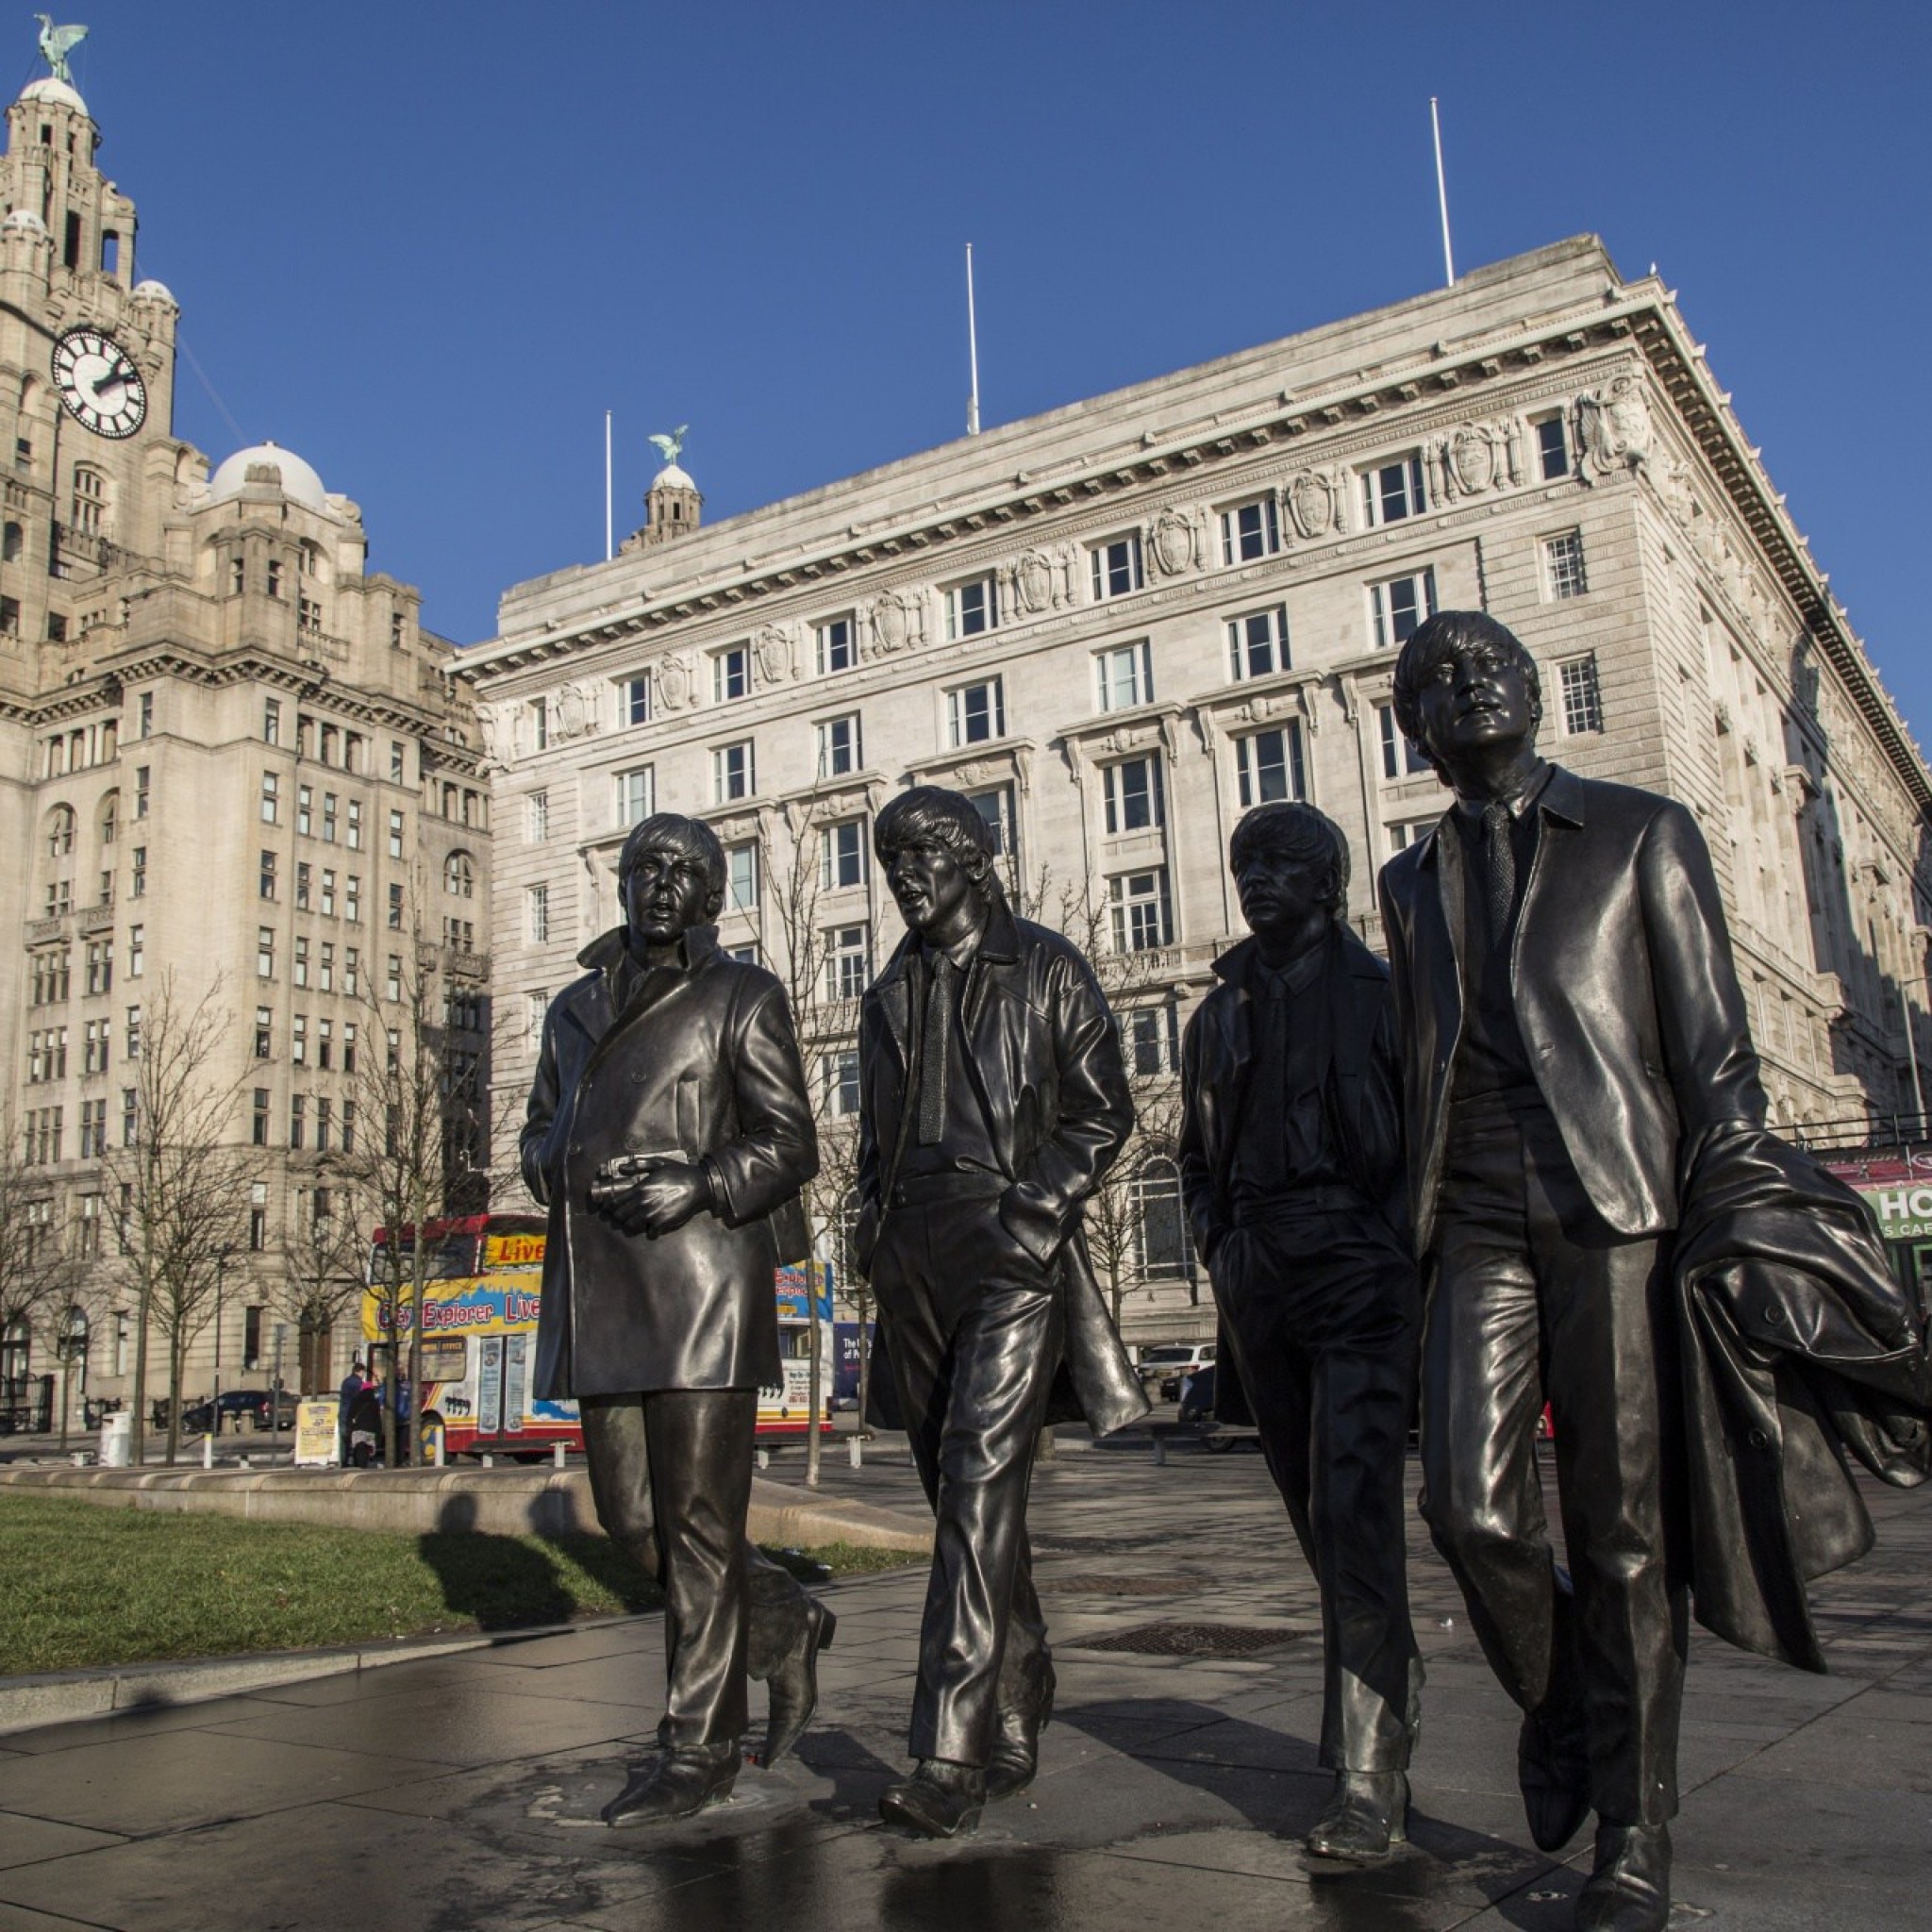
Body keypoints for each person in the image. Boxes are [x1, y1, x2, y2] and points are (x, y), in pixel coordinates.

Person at [1377, 610, 1768, 1931]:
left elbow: (1714, 1056)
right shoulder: (1407, 879)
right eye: (1435, 676)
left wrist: (1728, 1211)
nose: (1467, 680)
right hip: (1472, 1210)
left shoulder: (1641, 831)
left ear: (1537, 694)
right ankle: (1568, 1713)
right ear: (1411, 728)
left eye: (1490, 662)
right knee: (1468, 1509)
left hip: (1616, 1204)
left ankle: (1634, 1829)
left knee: (1620, 1533)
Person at [522, 811, 834, 1828]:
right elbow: (538, 1126)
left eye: (682, 871)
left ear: (710, 893)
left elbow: (789, 1140)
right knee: (633, 1520)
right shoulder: (570, 1007)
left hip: (700, 1282)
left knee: (698, 1526)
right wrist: (556, 1162)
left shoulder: (741, 994)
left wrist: (696, 1179)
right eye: (642, 867)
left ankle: (697, 1747)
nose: (658, 884)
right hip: (602, 1284)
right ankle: (779, 1613)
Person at [854, 785, 1145, 1839]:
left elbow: (1101, 1108)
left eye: (923, 851)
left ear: (976, 856)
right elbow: (870, 1144)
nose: (903, 872)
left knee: (978, 1480)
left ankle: (949, 1747)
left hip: (1008, 1246)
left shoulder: (1047, 967)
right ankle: (1020, 1684)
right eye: (891, 857)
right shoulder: (885, 988)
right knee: (961, 1499)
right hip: (912, 1256)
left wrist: (1037, 1208)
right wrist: (865, 1235)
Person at [1178, 800, 1422, 1861]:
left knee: (1354, 1502)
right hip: (1257, 1268)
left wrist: (1396, 1247)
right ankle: (1388, 1672)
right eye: (1245, 864)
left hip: (1357, 1261)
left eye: (1280, 863)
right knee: (1313, 1511)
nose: (1257, 879)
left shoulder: (1385, 992)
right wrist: (1216, 1243)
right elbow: (1191, 1150)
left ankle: (1366, 1777)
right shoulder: (1214, 1013)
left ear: (1326, 882)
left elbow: (1425, 1133)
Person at [336, 1357, 370, 1466]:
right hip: (353, 1414)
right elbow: (363, 1396)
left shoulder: (345, 1381)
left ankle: (343, 1461)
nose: (363, 1374)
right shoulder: (358, 1383)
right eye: (362, 1372)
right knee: (355, 1437)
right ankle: (355, 1461)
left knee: (344, 1439)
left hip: (343, 1412)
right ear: (359, 1372)